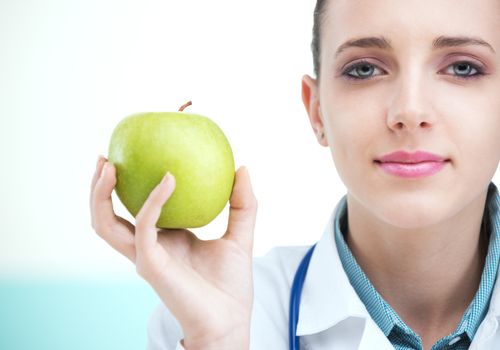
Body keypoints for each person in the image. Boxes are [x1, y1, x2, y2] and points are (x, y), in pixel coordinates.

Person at [90, 0, 500, 349]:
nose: (410, 112)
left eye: (463, 68)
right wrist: (220, 340)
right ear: (316, 110)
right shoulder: (210, 314)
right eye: (364, 69)